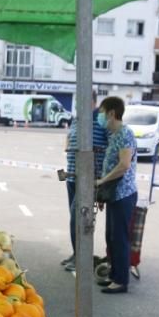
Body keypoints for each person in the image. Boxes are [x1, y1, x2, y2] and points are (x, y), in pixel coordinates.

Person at [94, 96, 138, 294]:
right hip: (114, 195)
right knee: (111, 237)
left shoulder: (125, 133)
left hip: (123, 195)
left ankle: (121, 281)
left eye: (102, 112)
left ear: (112, 113)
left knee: (119, 238)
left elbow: (124, 165)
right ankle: (114, 275)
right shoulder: (114, 135)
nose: (100, 117)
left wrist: (103, 181)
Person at [60, 94, 108, 273]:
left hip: (88, 178)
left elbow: (108, 147)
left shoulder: (100, 120)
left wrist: (102, 181)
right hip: (72, 176)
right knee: (75, 218)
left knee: (78, 219)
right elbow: (69, 137)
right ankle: (77, 253)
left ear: (93, 102)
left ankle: (82, 257)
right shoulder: (76, 119)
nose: (79, 104)